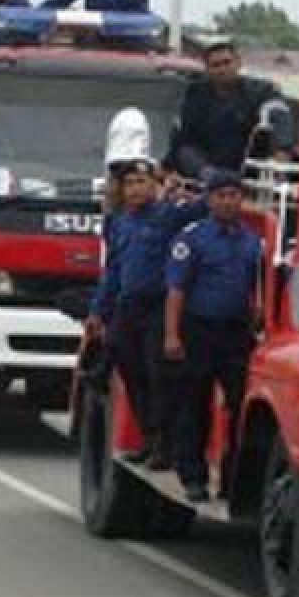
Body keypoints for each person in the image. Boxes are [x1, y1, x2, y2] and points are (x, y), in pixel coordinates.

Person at [85, 159, 207, 470]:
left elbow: (205, 208)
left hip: (158, 306)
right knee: (130, 372)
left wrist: (190, 188)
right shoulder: (118, 222)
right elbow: (112, 270)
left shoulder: (167, 215)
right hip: (128, 306)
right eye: (129, 183)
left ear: (154, 185)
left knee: (159, 376)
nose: (135, 189)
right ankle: (148, 438)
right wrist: (98, 311)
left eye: (142, 181)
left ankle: (164, 446)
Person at [164, 169, 262, 503]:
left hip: (236, 333)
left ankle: (234, 479)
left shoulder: (252, 241)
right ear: (208, 199)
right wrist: (172, 336)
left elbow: (258, 286)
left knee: (240, 406)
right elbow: (176, 290)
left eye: (233, 195)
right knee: (194, 404)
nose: (228, 201)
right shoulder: (191, 238)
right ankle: (193, 476)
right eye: (221, 195)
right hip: (198, 328)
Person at [168, 42, 296, 179]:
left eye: (227, 62)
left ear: (238, 63)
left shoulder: (262, 90)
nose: (222, 69)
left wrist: (282, 150)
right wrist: (204, 171)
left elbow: (280, 116)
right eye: (216, 65)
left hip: (251, 171)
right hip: (208, 173)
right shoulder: (195, 95)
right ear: (207, 69)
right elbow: (184, 140)